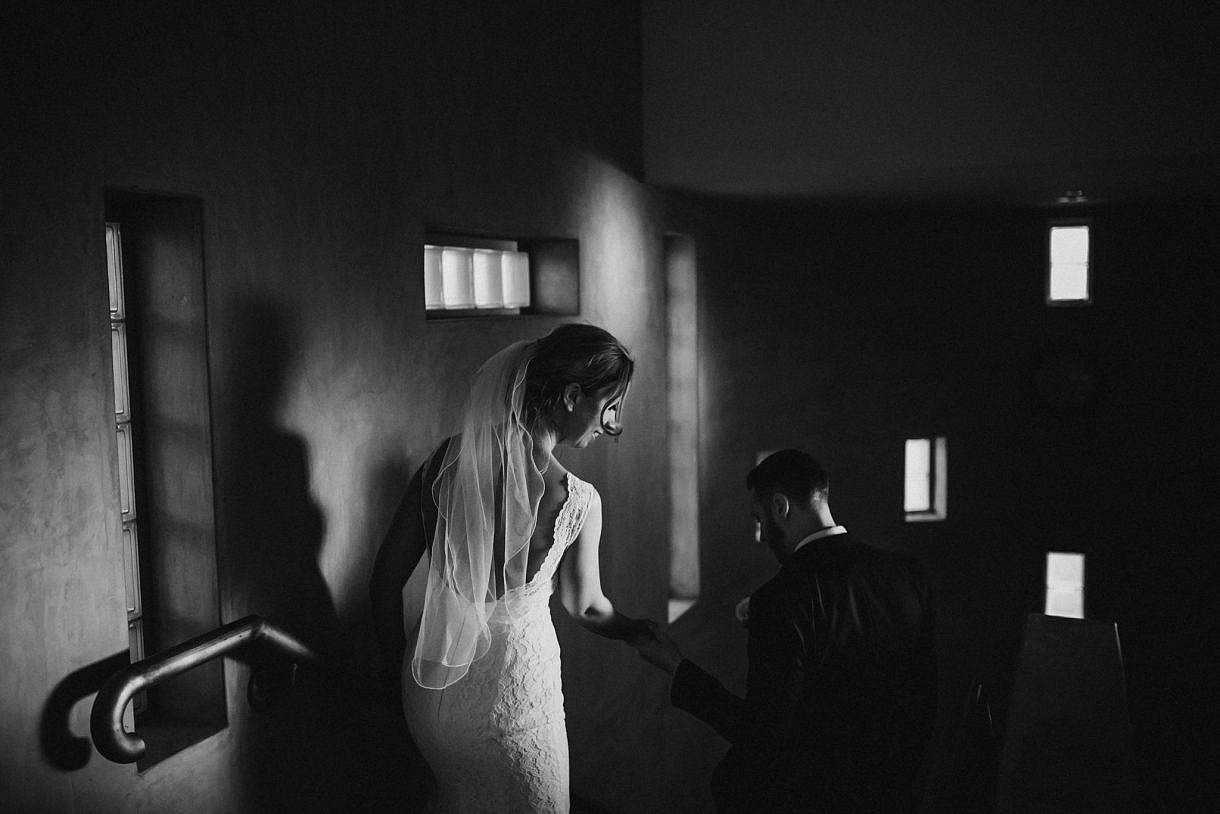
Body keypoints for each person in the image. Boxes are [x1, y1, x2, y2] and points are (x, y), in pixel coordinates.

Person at [370, 323, 650, 813]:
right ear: (570, 397)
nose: (608, 424)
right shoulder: (578, 501)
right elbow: (586, 607)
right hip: (513, 707)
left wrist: (397, 679)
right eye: (608, 406)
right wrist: (638, 631)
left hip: (432, 693)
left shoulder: (444, 463)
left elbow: (383, 584)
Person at [634, 449, 938, 812]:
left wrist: (678, 667)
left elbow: (763, 735)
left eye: (759, 520)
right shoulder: (907, 574)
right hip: (894, 792)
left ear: (781, 506)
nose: (761, 537)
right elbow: (924, 695)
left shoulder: (780, 599)